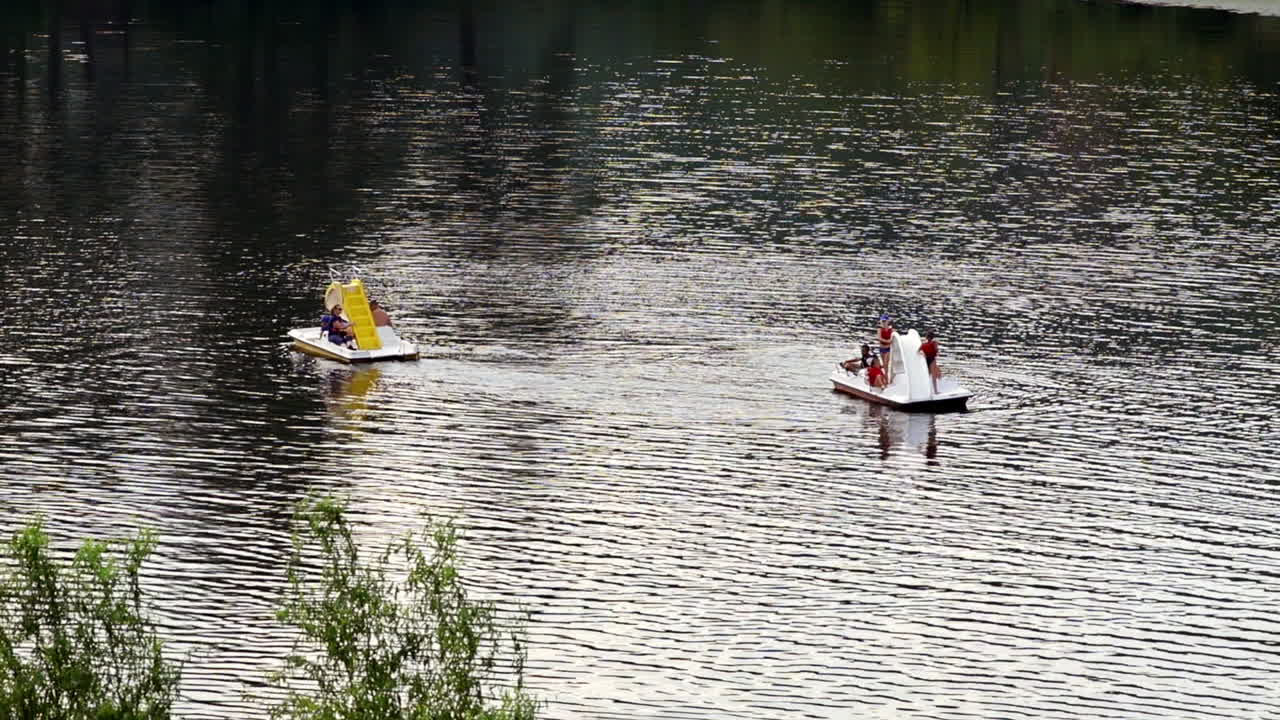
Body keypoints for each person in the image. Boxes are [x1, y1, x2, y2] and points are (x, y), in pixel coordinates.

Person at [876, 314, 894, 382]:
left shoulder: (891, 330)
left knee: (886, 364)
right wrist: (888, 341)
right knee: (884, 364)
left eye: (884, 321)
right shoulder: (880, 329)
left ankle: (886, 379)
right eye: (882, 321)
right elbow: (879, 338)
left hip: (888, 349)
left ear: (887, 321)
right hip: (882, 348)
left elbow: (893, 338)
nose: (883, 322)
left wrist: (889, 341)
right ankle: (884, 378)